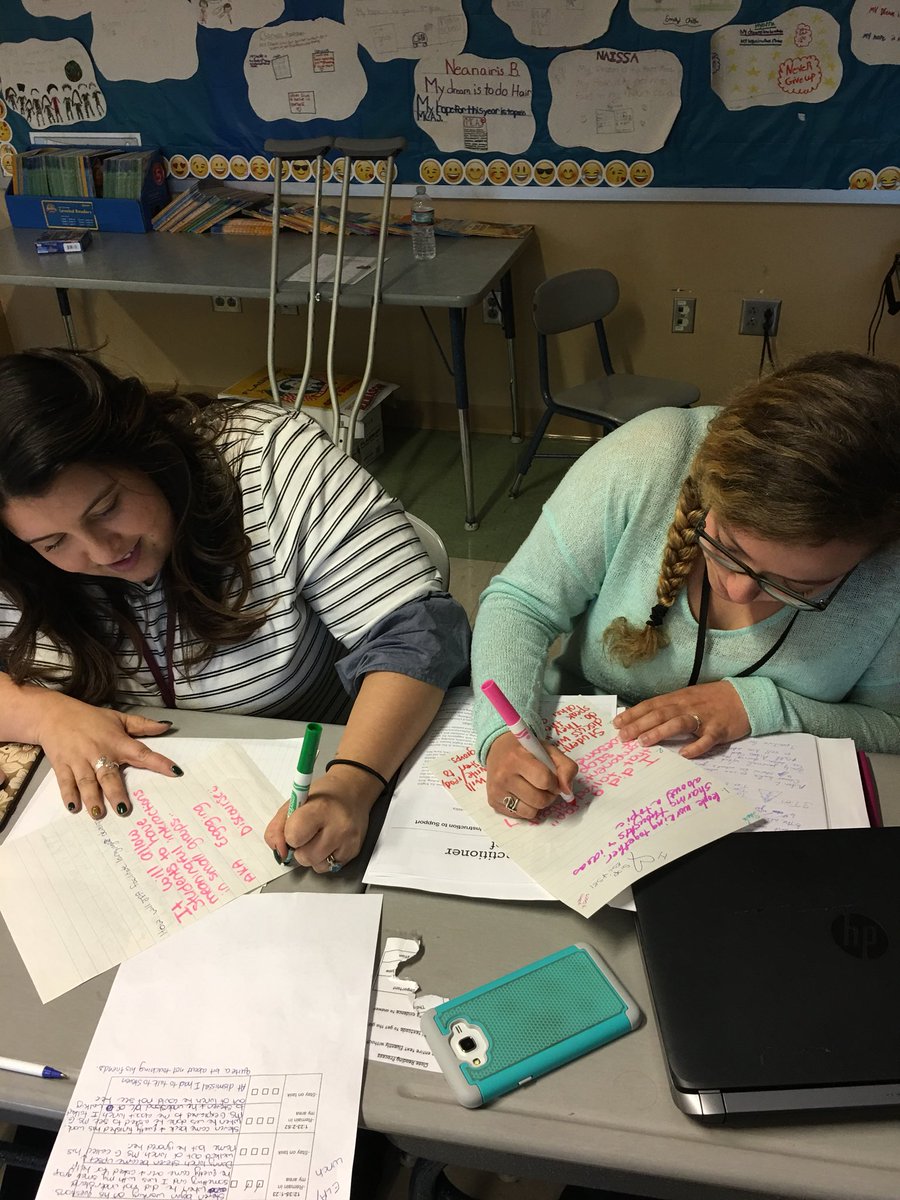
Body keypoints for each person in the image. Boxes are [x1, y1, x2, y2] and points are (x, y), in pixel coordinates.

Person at [0, 348, 470, 870]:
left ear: (146, 454)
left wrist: (353, 780)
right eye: (52, 543)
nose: (104, 552)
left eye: (108, 507)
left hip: (323, 779)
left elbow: (416, 632)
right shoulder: (15, 561)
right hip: (135, 838)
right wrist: (43, 713)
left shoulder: (268, 460)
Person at [472, 350, 900, 821]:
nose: (737, 592)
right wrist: (503, 736)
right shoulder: (649, 460)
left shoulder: (890, 570)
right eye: (727, 546)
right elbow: (521, 603)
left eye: (797, 586)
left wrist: (763, 706)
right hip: (585, 751)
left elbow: (891, 729)